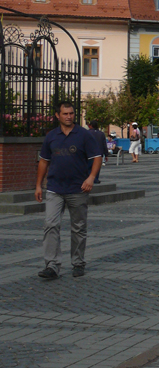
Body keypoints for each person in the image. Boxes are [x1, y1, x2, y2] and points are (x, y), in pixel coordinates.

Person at [36, 102, 103, 279]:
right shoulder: (51, 136)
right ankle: (51, 265)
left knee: (78, 227)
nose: (69, 116)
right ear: (57, 115)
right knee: (50, 225)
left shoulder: (84, 135)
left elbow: (97, 157)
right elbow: (43, 161)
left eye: (71, 113)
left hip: (77, 188)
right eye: (65, 113)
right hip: (54, 188)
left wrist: (91, 177)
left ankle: (78, 262)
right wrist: (38, 185)